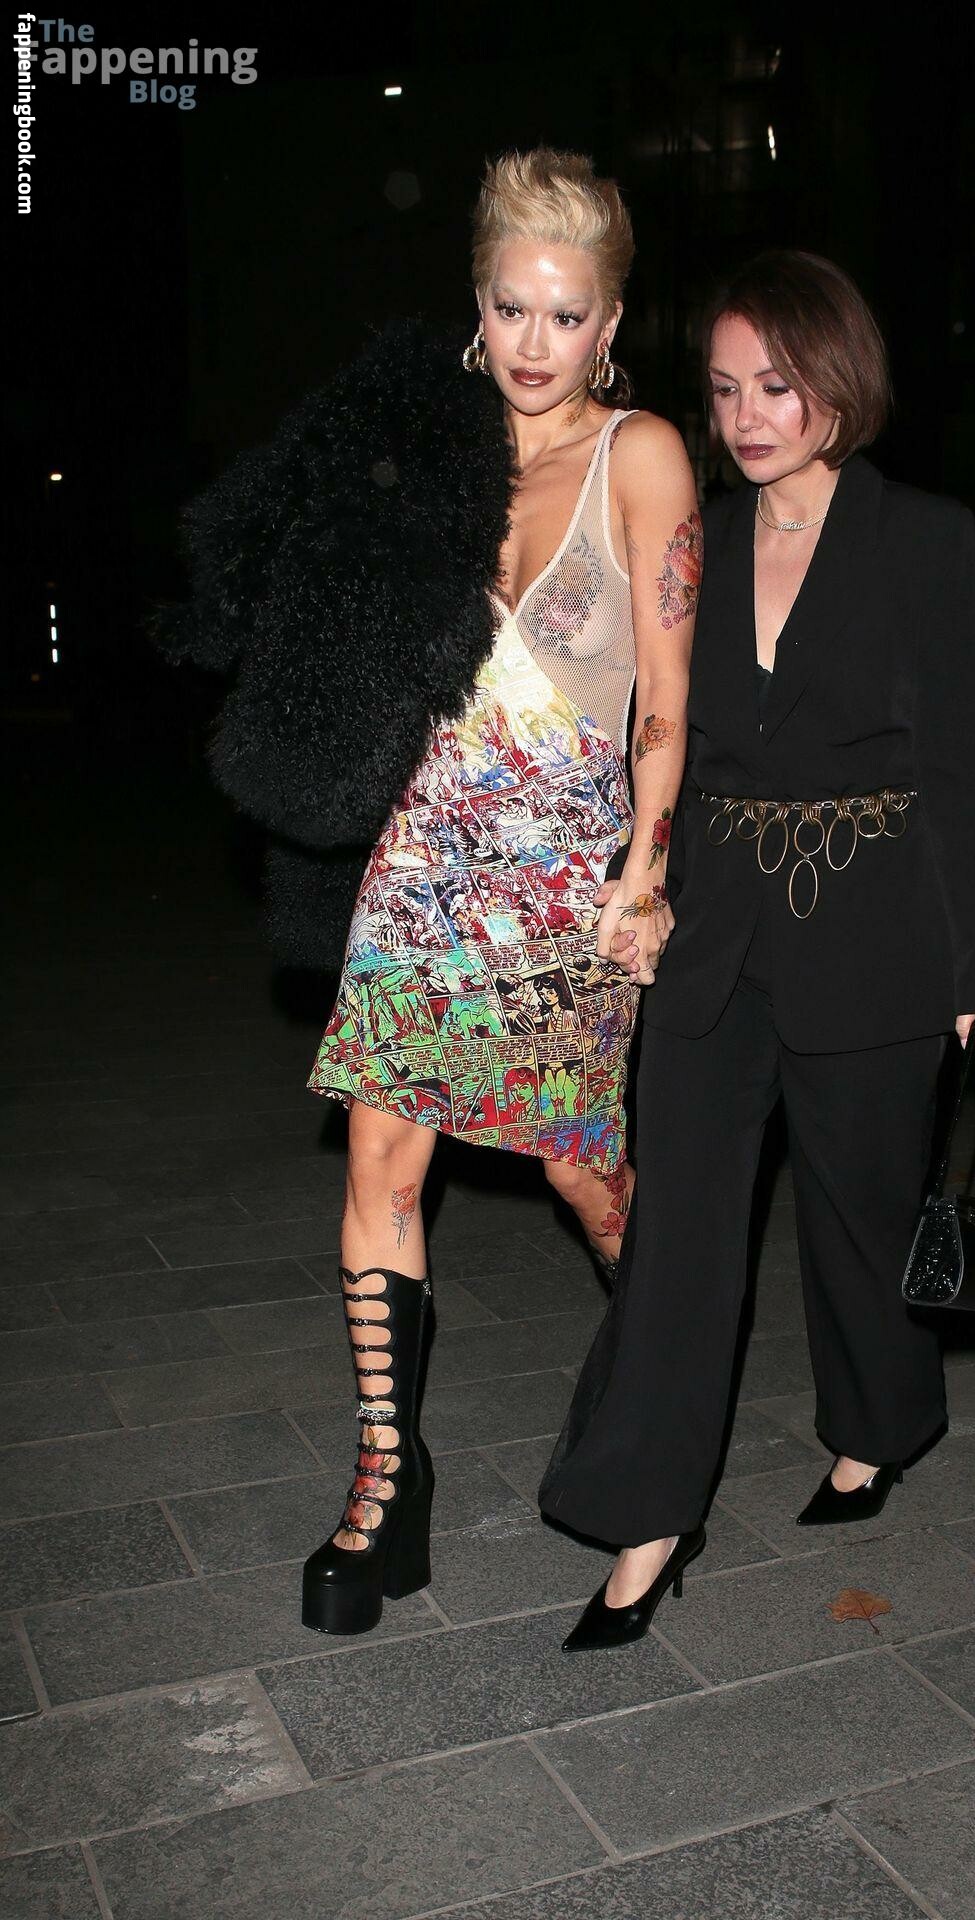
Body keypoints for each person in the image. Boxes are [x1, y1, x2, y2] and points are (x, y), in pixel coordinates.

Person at [163, 149, 699, 1638]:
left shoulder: (641, 456)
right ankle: (386, 1483)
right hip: (421, 862)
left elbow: (666, 696)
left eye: (568, 316)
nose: (536, 343)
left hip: (568, 875)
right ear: (478, 303)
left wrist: (646, 875)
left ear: (610, 323)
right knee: (381, 1165)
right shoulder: (429, 443)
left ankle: (666, 1383)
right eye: (512, 308)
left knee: (584, 1175)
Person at [540, 249, 975, 1651]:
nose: (747, 416)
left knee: (859, 1217)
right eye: (724, 390)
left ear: (838, 383)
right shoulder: (693, 537)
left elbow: (963, 765)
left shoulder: (922, 537)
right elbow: (643, 723)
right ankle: (645, 1516)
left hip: (876, 936)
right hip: (715, 934)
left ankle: (878, 1423)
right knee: (678, 1232)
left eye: (777, 385)